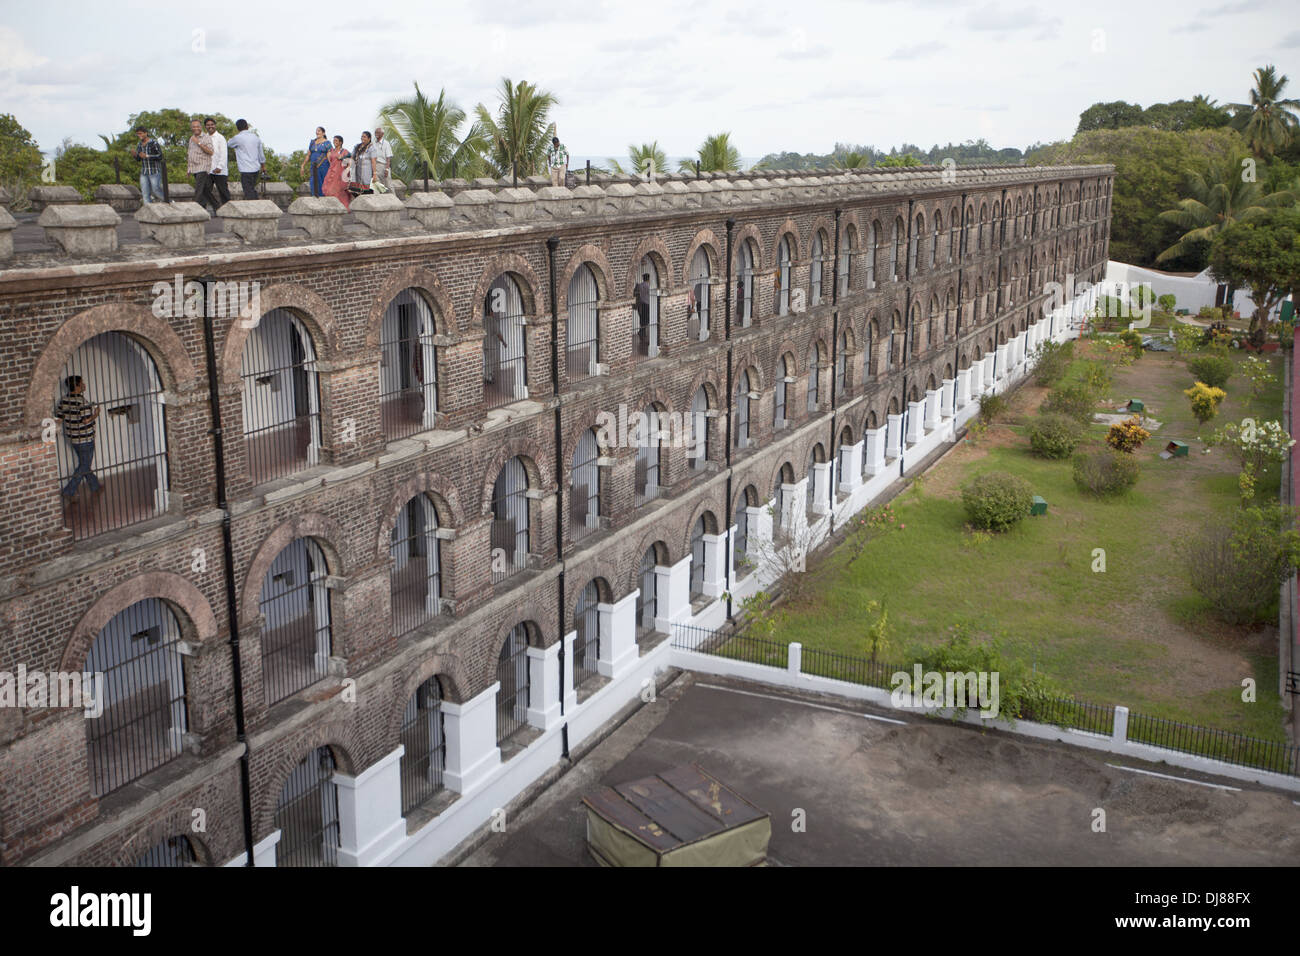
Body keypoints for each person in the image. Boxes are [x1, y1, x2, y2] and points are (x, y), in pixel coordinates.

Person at [55, 375, 102, 499]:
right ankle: (68, 492)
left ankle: (95, 485)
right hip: (85, 438)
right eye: (82, 383)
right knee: (84, 465)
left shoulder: (63, 400)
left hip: (73, 438)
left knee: (84, 463)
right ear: (76, 386)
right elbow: (86, 421)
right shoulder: (82, 402)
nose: (84, 385)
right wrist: (96, 414)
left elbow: (59, 418)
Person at [229, 119, 266, 200]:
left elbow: (229, 144)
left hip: (245, 169)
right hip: (256, 168)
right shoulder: (255, 137)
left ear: (237, 128)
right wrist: (263, 166)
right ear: (247, 126)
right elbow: (261, 155)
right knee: (251, 189)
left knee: (248, 191)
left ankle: (254, 207)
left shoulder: (238, 138)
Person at [187, 118, 216, 212]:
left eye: (197, 126)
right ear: (191, 128)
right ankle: (217, 206)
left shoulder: (206, 137)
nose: (196, 128)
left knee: (198, 189)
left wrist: (199, 143)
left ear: (201, 127)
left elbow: (211, 152)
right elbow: (190, 153)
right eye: (193, 126)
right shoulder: (191, 138)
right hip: (194, 167)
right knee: (205, 190)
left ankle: (193, 209)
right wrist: (188, 169)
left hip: (203, 166)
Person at [131, 126, 165, 204]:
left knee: (156, 190)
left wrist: (147, 156)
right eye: (138, 134)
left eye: (140, 133)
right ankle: (149, 210)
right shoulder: (139, 144)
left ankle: (169, 201)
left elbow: (160, 156)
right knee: (145, 193)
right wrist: (135, 155)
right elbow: (139, 159)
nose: (139, 135)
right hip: (144, 172)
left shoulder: (154, 143)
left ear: (146, 133)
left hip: (154, 171)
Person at [204, 117, 231, 208]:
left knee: (223, 192)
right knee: (205, 190)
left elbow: (224, 154)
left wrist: (220, 166)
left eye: (212, 124)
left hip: (220, 170)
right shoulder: (204, 137)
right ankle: (215, 207)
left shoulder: (220, 138)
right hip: (208, 169)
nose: (210, 126)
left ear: (215, 126)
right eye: (208, 125)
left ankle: (229, 210)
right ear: (205, 127)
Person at [321, 136, 352, 209]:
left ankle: (342, 206)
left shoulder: (345, 151)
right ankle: (331, 206)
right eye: (334, 140)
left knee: (339, 190)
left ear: (340, 142)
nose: (334, 142)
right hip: (332, 172)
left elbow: (349, 161)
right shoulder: (331, 150)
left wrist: (347, 169)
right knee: (328, 188)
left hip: (340, 173)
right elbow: (330, 161)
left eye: (336, 141)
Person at [300, 127, 330, 198]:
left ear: (323, 133)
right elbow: (308, 155)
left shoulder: (327, 143)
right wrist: (302, 166)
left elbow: (329, 155)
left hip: (323, 167)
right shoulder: (312, 142)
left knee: (323, 183)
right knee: (313, 183)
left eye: (319, 131)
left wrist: (332, 166)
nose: (317, 132)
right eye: (316, 131)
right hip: (314, 167)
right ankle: (315, 199)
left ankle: (323, 200)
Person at [371, 127, 393, 191]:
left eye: (378, 132)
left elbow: (388, 157)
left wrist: (387, 169)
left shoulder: (386, 143)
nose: (376, 134)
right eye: (375, 132)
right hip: (376, 166)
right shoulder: (373, 143)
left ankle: (394, 199)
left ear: (382, 134)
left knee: (388, 184)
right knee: (378, 185)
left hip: (384, 165)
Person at [634, 273, 651, 344]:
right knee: (647, 320)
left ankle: (642, 333)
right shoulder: (648, 286)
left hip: (640, 305)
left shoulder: (640, 285)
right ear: (648, 279)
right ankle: (641, 332)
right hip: (646, 304)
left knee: (642, 319)